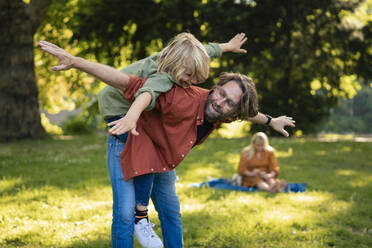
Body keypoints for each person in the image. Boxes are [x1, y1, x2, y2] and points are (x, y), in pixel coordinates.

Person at [39, 33, 252, 248]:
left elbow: (207, 50)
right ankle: (140, 217)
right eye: (189, 76)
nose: (191, 83)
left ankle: (142, 218)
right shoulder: (164, 77)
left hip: (151, 131)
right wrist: (76, 62)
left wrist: (227, 46)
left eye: (196, 78)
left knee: (170, 210)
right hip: (120, 113)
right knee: (124, 212)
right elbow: (144, 93)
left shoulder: (183, 56)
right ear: (178, 66)